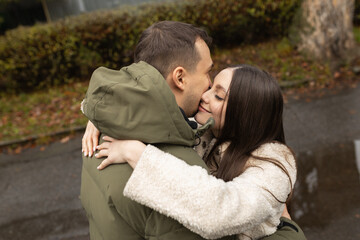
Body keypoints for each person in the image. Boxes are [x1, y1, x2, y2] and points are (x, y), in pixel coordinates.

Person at [81, 21, 306, 240]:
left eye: (218, 95)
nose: (206, 92)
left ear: (245, 113)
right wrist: (102, 115)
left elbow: (220, 211)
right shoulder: (201, 131)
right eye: (210, 78)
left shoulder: (273, 164)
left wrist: (135, 152)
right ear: (180, 77)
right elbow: (152, 103)